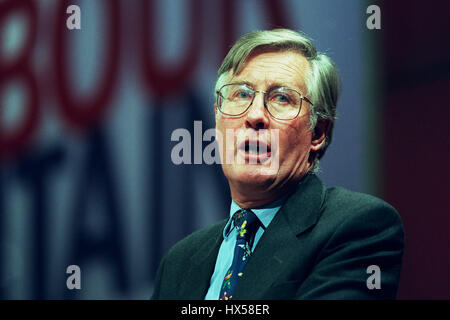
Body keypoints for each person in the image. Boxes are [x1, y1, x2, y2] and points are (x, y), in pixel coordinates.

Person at [151, 29, 404, 300]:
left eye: (281, 98)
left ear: (317, 132)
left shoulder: (359, 228)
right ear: (217, 119)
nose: (256, 115)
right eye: (242, 94)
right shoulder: (179, 263)